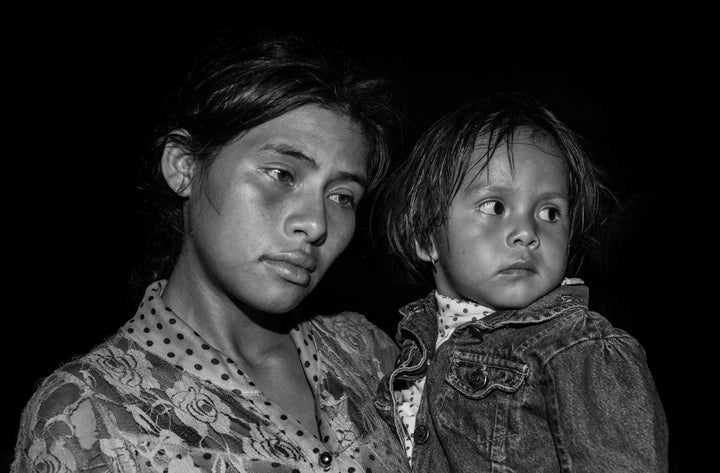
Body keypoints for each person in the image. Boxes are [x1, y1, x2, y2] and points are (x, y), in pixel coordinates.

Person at [12, 30, 410, 473]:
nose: (316, 224)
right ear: (184, 166)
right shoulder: (86, 413)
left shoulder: (367, 353)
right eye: (281, 174)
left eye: (342, 197)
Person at [374, 93, 668, 472]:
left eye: (549, 212)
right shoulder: (413, 346)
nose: (527, 232)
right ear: (425, 237)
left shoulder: (579, 350)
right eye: (495, 206)